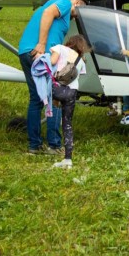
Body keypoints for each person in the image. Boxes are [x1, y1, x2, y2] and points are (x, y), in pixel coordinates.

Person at [18, 0, 87, 155]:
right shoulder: (64, 3)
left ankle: (34, 146)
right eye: (79, 12)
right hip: (42, 54)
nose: (75, 17)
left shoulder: (53, 5)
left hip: (26, 52)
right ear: (77, 2)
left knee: (35, 99)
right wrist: (42, 44)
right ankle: (54, 145)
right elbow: (49, 13)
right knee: (55, 98)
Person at [49, 34, 89, 169]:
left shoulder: (60, 48)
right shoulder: (81, 60)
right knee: (68, 124)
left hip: (56, 89)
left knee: (42, 98)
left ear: (70, 42)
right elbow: (79, 74)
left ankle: (53, 103)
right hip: (71, 92)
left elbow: (52, 62)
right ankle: (68, 159)